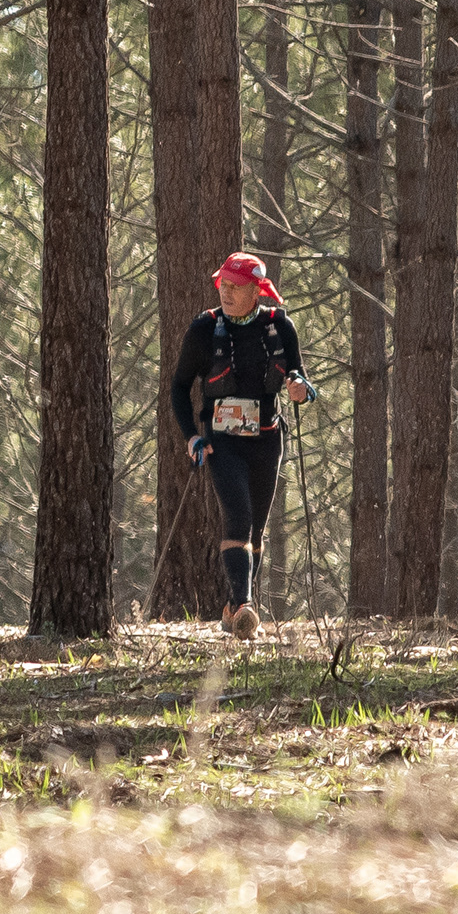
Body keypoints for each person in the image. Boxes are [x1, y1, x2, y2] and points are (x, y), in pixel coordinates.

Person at [169, 250, 312, 638]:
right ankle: (245, 603)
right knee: (239, 518)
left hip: (267, 439)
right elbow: (180, 388)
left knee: (259, 529)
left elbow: (298, 377)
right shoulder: (204, 330)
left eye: (235, 287)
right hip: (221, 443)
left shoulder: (280, 327)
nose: (226, 293)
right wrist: (192, 436)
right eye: (223, 285)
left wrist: (301, 390)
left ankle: (236, 607)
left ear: (256, 291)